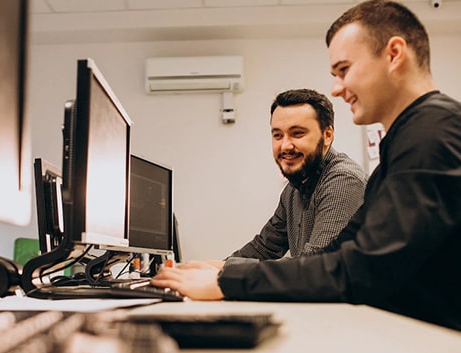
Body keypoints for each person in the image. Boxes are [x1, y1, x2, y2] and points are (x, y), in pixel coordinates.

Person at [152, 0, 461, 331]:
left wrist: (227, 281)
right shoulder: (409, 138)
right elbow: (337, 255)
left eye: (344, 70)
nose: (337, 88)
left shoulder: (432, 134)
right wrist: (222, 270)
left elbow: (361, 269)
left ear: (394, 54)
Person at [207, 89, 367, 269]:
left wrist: (225, 272)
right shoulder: (294, 188)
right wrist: (212, 268)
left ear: (327, 135)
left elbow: (315, 263)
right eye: (277, 135)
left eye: (297, 133)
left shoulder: (343, 181)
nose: (285, 145)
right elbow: (264, 247)